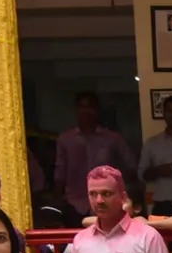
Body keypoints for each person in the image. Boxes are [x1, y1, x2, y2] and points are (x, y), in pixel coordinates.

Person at [55, 91, 138, 223]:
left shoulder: (112, 138)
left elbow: (131, 168)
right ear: (76, 110)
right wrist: (58, 203)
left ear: (97, 110)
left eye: (90, 106)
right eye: (82, 106)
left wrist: (122, 195)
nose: (86, 111)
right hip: (74, 205)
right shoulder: (66, 139)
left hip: (109, 204)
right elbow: (60, 174)